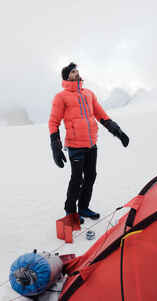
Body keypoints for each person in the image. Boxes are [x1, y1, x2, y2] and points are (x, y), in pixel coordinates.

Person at [48, 63, 129, 223]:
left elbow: (101, 115)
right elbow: (53, 122)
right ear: (66, 76)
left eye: (77, 70)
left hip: (92, 145)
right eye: (72, 71)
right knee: (77, 179)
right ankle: (70, 212)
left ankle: (83, 207)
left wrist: (117, 131)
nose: (76, 73)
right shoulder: (61, 97)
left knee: (91, 176)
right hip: (75, 146)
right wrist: (55, 146)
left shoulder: (89, 94)